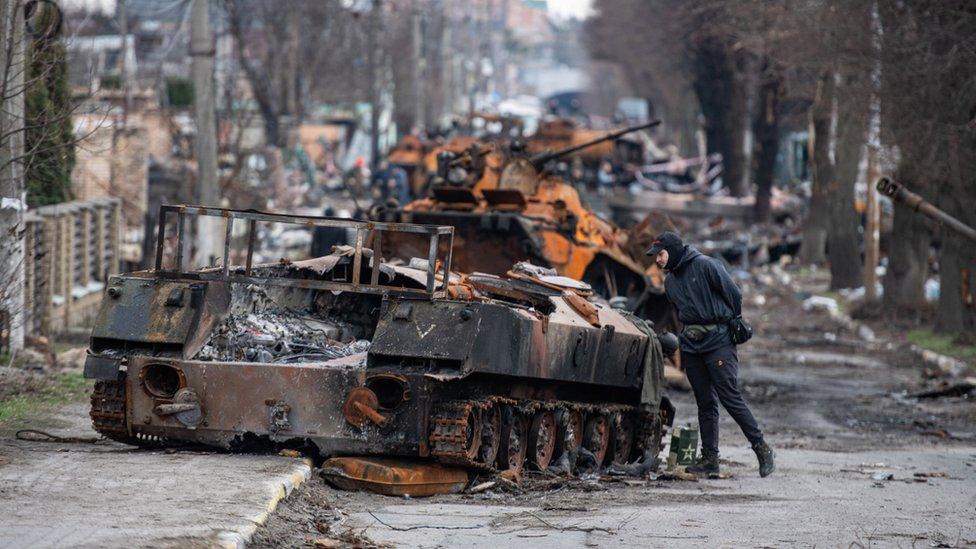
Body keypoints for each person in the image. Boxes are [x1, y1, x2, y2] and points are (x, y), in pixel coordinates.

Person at [646, 231, 775, 477]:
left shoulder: (706, 265)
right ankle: (710, 459)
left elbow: (734, 294)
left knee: (729, 397)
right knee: (705, 402)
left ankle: (762, 448)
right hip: (692, 346)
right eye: (656, 256)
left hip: (719, 342)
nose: (658, 261)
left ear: (672, 251)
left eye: (661, 255)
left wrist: (732, 321)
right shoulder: (670, 282)